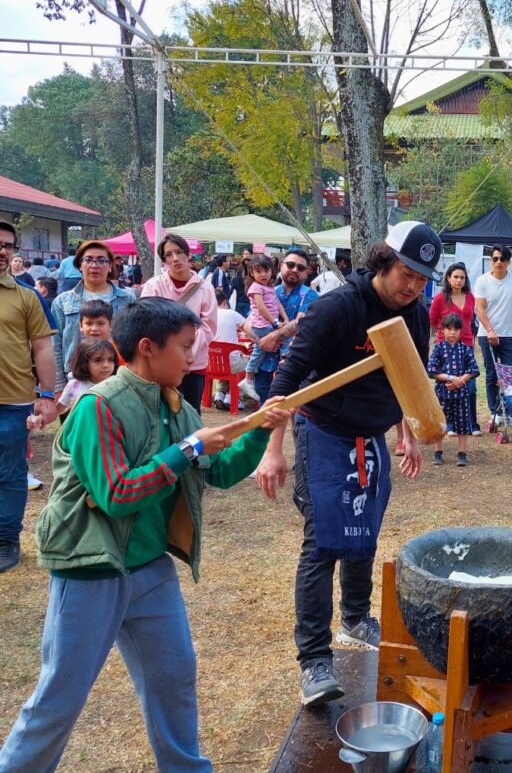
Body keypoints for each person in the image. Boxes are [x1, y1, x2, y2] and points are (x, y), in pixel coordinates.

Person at [0, 298, 291, 771]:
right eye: (184, 348)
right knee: (61, 695)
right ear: (147, 348)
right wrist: (185, 449)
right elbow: (116, 493)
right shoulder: (100, 406)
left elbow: (215, 471)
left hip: (150, 567)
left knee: (173, 676)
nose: (191, 359)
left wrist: (259, 431)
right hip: (91, 568)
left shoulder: (176, 405)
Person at [256, 220, 441, 706]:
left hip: (372, 433)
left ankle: (356, 617)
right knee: (322, 544)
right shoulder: (337, 307)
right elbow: (288, 378)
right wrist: (273, 448)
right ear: (383, 260)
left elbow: (409, 375)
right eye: (407, 273)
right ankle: (315, 660)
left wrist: (409, 434)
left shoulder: (415, 314)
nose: (413, 287)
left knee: (364, 529)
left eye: (423, 279)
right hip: (323, 430)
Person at [0, 220, 59, 573]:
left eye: (8, 245)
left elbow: (43, 349)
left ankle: (6, 540)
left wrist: (48, 395)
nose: (2, 251)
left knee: (9, 474)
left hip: (12, 402)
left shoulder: (26, 296)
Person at [140, 234, 218, 413]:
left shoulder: (205, 288)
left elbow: (207, 327)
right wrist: (168, 353)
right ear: (164, 260)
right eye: (168, 254)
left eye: (179, 252)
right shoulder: (154, 286)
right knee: (159, 412)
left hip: (193, 364)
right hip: (161, 362)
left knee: (190, 413)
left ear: (188, 254)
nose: (175, 258)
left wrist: (184, 355)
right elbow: (147, 320)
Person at [50, 240, 134, 394]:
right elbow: (55, 345)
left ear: (110, 266)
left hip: (117, 381)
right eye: (88, 260)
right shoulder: (62, 301)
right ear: (80, 266)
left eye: (101, 260)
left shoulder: (127, 299)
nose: (94, 265)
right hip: (75, 380)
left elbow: (133, 342)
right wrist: (59, 387)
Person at [244, 249, 318, 404]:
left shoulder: (310, 295)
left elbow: (299, 323)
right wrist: (262, 342)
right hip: (265, 364)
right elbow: (248, 324)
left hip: (292, 365)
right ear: (282, 266)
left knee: (293, 411)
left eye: (301, 268)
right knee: (265, 414)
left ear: (307, 272)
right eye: (290, 265)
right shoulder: (267, 290)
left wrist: (273, 337)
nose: (294, 270)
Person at [474, 244, 512, 417]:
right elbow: (480, 308)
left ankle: (511, 409)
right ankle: (495, 412)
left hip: (509, 334)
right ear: (491, 260)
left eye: (502, 259)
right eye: (495, 259)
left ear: (508, 262)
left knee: (511, 374)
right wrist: (490, 330)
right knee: (491, 374)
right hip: (487, 334)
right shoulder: (482, 280)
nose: (498, 262)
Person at [430, 262, 479, 434]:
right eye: (455, 277)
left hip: (466, 344)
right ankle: (448, 424)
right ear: (448, 278)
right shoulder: (440, 298)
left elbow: (471, 320)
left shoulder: (471, 297)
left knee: (470, 387)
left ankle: (472, 424)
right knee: (447, 386)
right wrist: (444, 334)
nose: (459, 280)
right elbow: (432, 320)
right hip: (445, 347)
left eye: (462, 277)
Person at [428, 313, 479, 467]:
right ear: (442, 330)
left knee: (463, 423)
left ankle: (462, 453)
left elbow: (473, 369)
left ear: (461, 331)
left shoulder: (465, 349)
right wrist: (450, 378)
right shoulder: (438, 348)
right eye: (448, 329)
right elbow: (431, 370)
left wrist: (460, 381)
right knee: (440, 423)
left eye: (456, 329)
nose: (452, 332)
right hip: (442, 394)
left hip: (462, 394)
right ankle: (438, 452)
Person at [240, 254, 285, 403]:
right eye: (259, 272)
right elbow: (261, 307)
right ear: (252, 273)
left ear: (272, 271)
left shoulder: (269, 287)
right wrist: (276, 323)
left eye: (266, 271)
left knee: (263, 350)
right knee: (262, 350)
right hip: (262, 325)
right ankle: (248, 379)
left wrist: (285, 319)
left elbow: (277, 303)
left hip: (269, 324)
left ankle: (249, 379)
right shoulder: (255, 287)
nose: (263, 274)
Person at [55, 337, 118, 415]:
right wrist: (41, 418)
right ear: (84, 363)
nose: (106, 365)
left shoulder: (118, 385)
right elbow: (58, 409)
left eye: (111, 359)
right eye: (98, 360)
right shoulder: (74, 386)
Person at [212, 288, 247, 410]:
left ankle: (220, 394)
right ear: (225, 301)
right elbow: (248, 328)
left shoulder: (206, 314)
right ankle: (235, 398)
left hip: (210, 364)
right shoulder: (232, 314)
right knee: (245, 362)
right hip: (230, 363)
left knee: (226, 359)